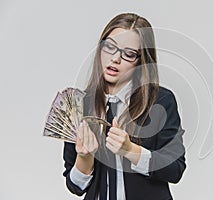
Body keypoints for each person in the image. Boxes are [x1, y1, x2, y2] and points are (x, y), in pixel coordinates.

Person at [63, 13, 186, 200]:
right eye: (110, 47)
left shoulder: (160, 101)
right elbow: (75, 187)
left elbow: (175, 169)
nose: (115, 59)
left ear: (141, 60)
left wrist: (131, 150)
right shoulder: (80, 105)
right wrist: (85, 158)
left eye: (128, 54)